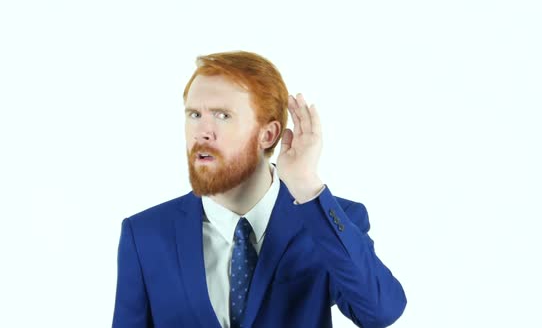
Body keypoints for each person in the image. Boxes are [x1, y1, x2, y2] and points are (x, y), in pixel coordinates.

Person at [112, 51, 407, 328]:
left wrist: (305, 185)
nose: (202, 131)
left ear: (268, 135)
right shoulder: (145, 235)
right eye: (194, 115)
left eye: (222, 115)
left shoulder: (327, 218)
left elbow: (380, 310)